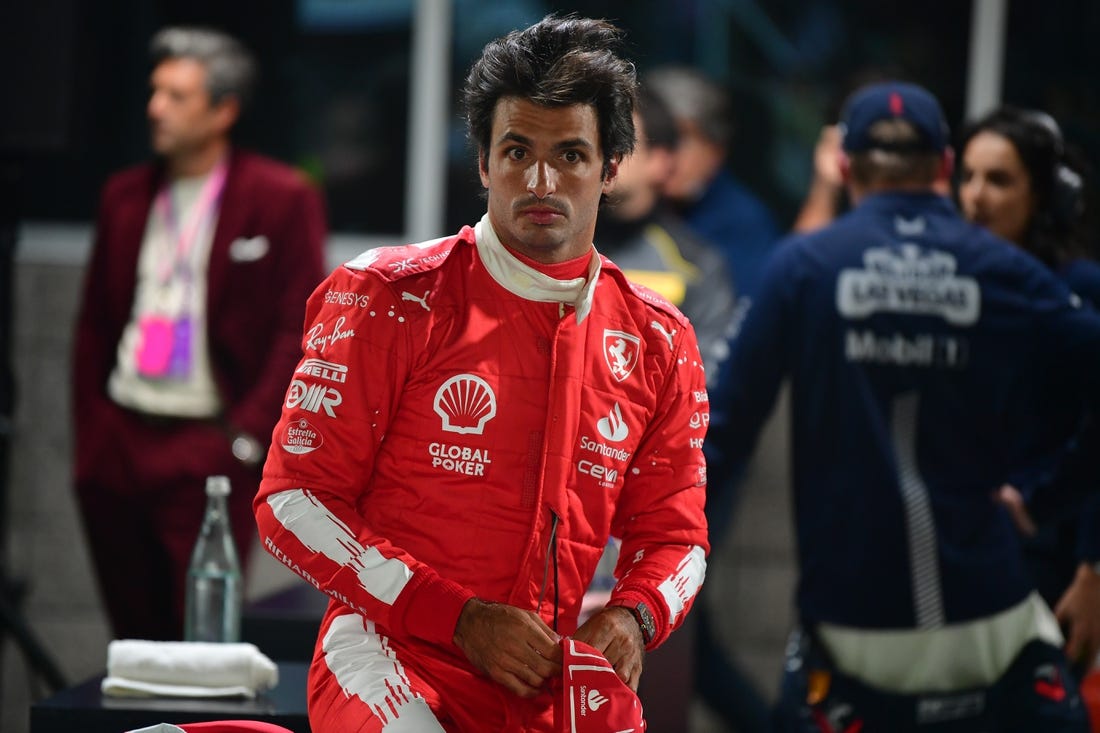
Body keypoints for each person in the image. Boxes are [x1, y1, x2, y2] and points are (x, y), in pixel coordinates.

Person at [254, 14, 709, 733]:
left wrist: (633, 615)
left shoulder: (658, 338)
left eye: (570, 155)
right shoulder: (389, 295)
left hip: (547, 677)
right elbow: (291, 503)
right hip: (386, 658)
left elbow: (677, 538)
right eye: (517, 150)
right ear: (481, 162)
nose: (539, 180)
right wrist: (457, 616)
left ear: (612, 168)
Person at [712, 81, 1098, 731]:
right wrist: (1046, 496)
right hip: (989, 620)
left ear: (843, 166)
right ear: (945, 168)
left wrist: (642, 573)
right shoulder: (1002, 269)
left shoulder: (804, 266)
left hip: (853, 622)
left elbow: (720, 432)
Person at [72, 26, 327, 642]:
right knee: (132, 639)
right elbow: (95, 327)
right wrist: (92, 442)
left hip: (208, 446)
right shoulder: (125, 196)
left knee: (199, 638)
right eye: (155, 92)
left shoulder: (280, 197)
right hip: (121, 440)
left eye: (176, 96)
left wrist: (242, 442)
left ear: (223, 110)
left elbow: (298, 328)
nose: (154, 108)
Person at [957, 105, 1100, 676]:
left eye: (999, 179)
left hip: (1053, 555)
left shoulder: (1078, 290)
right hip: (966, 550)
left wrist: (1094, 568)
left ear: (1046, 195)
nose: (976, 197)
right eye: (966, 177)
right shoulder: (954, 287)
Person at [643, 65, 780, 311]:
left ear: (717, 148)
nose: (668, 154)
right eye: (655, 137)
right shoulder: (623, 207)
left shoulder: (744, 222)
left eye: (681, 138)